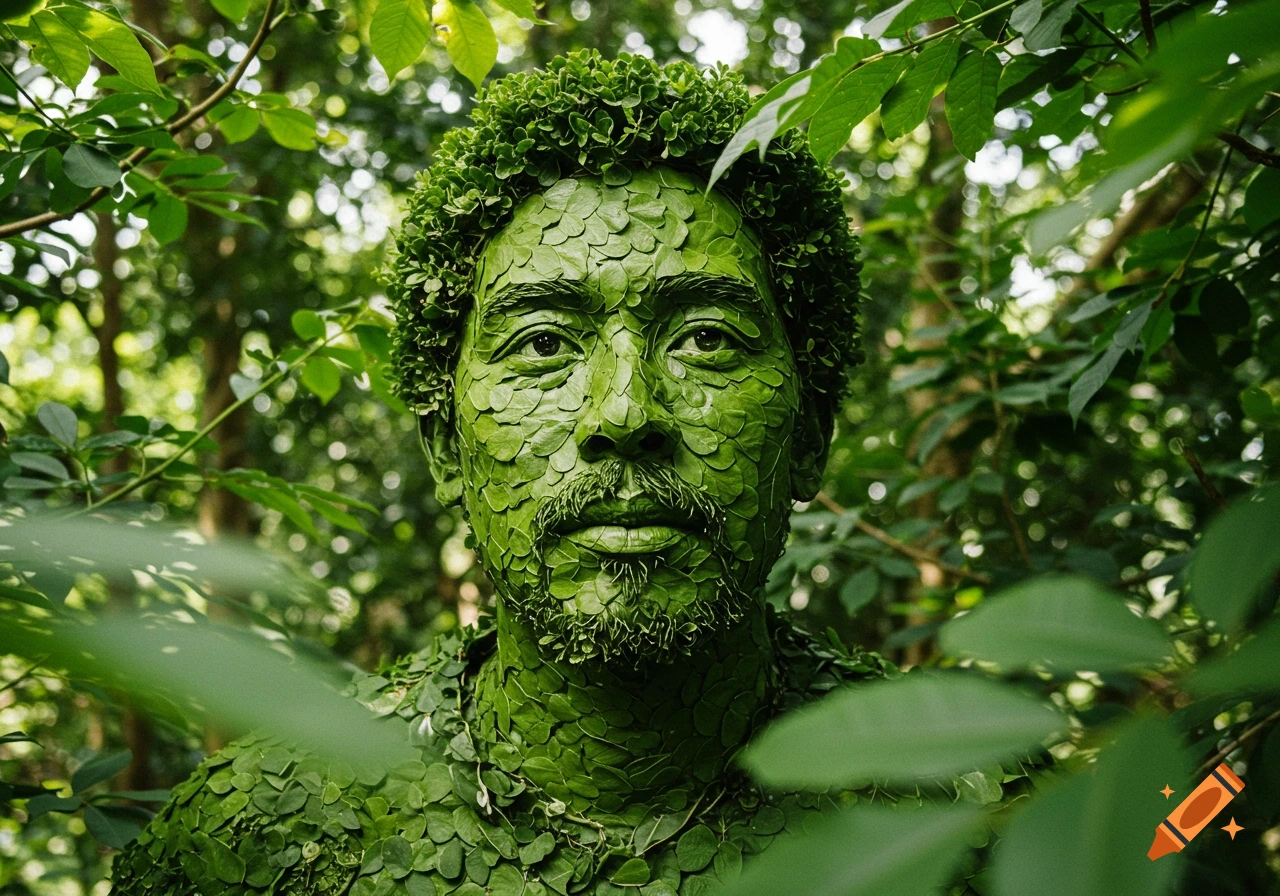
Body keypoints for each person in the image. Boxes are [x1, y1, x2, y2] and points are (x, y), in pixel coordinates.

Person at [111, 49, 889, 896]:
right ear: (446, 447)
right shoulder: (242, 846)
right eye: (543, 344)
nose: (624, 415)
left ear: (811, 435)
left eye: (706, 338)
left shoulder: (973, 817)